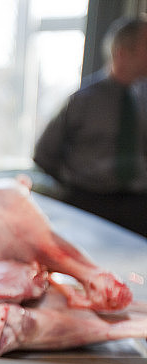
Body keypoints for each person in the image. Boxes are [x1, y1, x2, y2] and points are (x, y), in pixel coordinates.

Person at [33, 15, 147, 237]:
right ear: (122, 52)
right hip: (90, 203)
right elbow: (44, 154)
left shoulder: (143, 99)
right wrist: (74, 185)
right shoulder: (82, 100)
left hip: (138, 206)